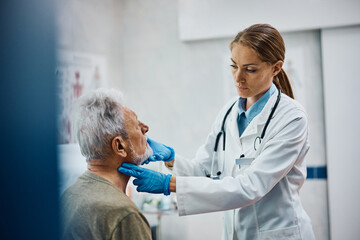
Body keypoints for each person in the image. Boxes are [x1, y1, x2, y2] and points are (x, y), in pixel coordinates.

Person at [119, 24, 315, 239]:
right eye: (233, 66)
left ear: (276, 68)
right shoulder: (229, 112)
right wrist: (172, 160)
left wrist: (169, 184)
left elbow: (251, 186)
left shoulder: (291, 118)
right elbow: (205, 170)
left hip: (278, 233)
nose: (238, 77)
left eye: (250, 69)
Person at [61, 88, 152, 240]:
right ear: (120, 146)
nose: (146, 128)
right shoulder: (124, 215)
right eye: (137, 126)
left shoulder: (70, 195)